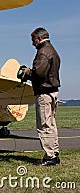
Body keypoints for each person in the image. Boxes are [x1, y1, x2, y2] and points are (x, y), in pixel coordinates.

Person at [19, 27, 61, 166]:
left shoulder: (43, 53)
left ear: (39, 38)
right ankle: (54, 153)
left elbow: (38, 74)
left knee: (44, 125)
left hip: (44, 93)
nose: (32, 43)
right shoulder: (52, 51)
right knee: (51, 124)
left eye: (33, 40)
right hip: (53, 92)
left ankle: (50, 156)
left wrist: (27, 72)